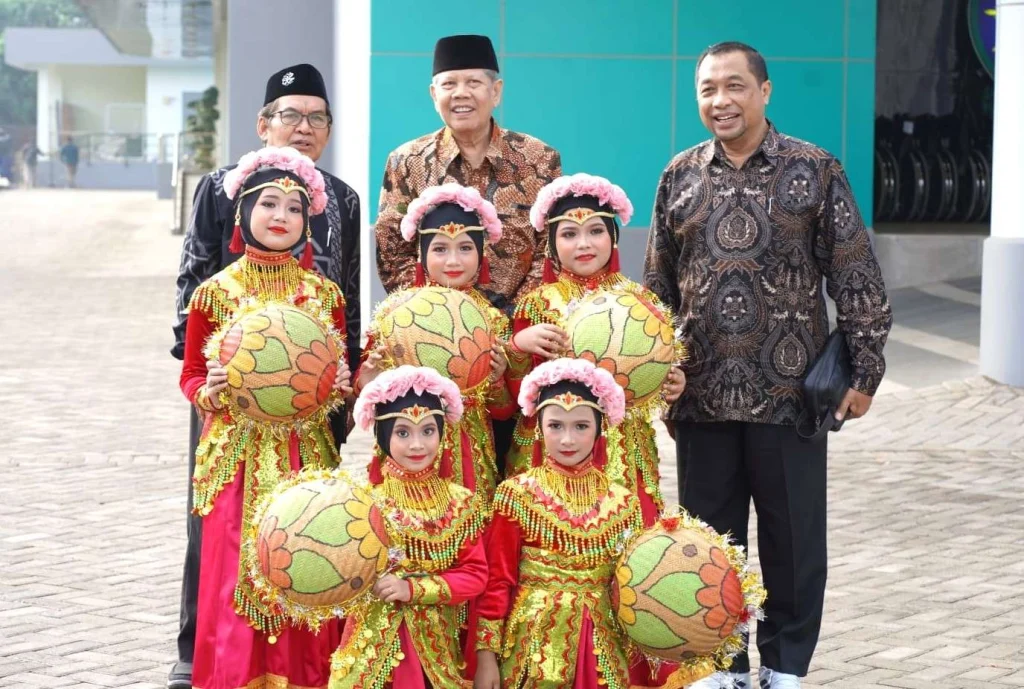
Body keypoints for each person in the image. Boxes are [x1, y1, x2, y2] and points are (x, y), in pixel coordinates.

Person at [643, 42, 893, 689]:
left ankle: (784, 667)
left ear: (764, 91)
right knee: (707, 550)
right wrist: (653, 371)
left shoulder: (814, 170)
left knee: (793, 545)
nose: (720, 101)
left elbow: (855, 272)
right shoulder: (679, 176)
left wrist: (865, 368)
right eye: (707, 90)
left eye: (734, 86)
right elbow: (655, 293)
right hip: (700, 402)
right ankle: (718, 664)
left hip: (790, 399)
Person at [169, 63, 361, 689]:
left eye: (316, 118)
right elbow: (192, 355)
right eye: (290, 115)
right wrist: (209, 389)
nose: (280, 215)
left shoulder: (325, 280)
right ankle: (215, 665)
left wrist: (342, 387)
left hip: (307, 435)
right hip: (235, 438)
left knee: (312, 540)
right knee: (225, 554)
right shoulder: (216, 279)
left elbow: (345, 328)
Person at [374, 34, 561, 472]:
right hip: (431, 348)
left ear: (496, 90)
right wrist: (436, 324)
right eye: (449, 83)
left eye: (474, 82)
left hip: (518, 344)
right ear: (433, 93)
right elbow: (393, 253)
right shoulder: (407, 161)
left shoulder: (538, 159)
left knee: (511, 472)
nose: (462, 93)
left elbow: (548, 251)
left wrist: (505, 333)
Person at [474, 358, 683, 689]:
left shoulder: (623, 503)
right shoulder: (516, 495)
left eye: (581, 426)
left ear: (600, 428)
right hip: (533, 646)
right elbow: (497, 581)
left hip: (601, 648)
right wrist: (486, 657)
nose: (567, 439)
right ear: (538, 426)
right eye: (556, 426)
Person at [505, 173, 686, 526]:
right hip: (557, 443)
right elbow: (512, 395)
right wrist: (517, 348)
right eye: (569, 234)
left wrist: (672, 386)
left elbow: (657, 372)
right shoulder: (537, 305)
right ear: (552, 245)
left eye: (596, 231)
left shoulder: (641, 302)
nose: (584, 243)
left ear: (613, 237)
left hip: (625, 444)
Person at [330, 365, 488, 688]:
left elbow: (475, 574)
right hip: (372, 653)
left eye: (428, 431)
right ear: (383, 437)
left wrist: (412, 589)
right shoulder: (361, 501)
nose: (418, 445)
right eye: (403, 433)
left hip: (437, 653)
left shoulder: (461, 503)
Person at [357, 184, 515, 504]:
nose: (453, 260)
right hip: (406, 454)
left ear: (482, 253)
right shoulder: (394, 314)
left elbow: (502, 411)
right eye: (440, 248)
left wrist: (497, 379)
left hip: (469, 453)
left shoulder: (492, 320)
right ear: (421, 253)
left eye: (465, 248)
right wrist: (369, 379)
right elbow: (366, 395)